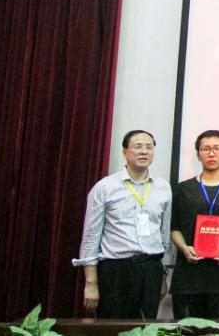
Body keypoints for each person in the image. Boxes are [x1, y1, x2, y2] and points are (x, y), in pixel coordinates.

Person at [74, 129, 173, 319]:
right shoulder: (105, 187)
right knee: (113, 327)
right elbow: (91, 237)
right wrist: (91, 283)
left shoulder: (163, 187)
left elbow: (164, 235)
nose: (144, 152)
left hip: (150, 269)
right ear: (124, 152)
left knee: (147, 327)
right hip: (115, 271)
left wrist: (163, 276)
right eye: (138, 147)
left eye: (149, 147)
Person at [169, 130, 219, 319]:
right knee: (186, 331)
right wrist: (184, 248)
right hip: (188, 279)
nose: (211, 154)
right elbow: (174, 228)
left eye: (217, 149)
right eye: (206, 149)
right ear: (199, 154)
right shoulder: (183, 189)